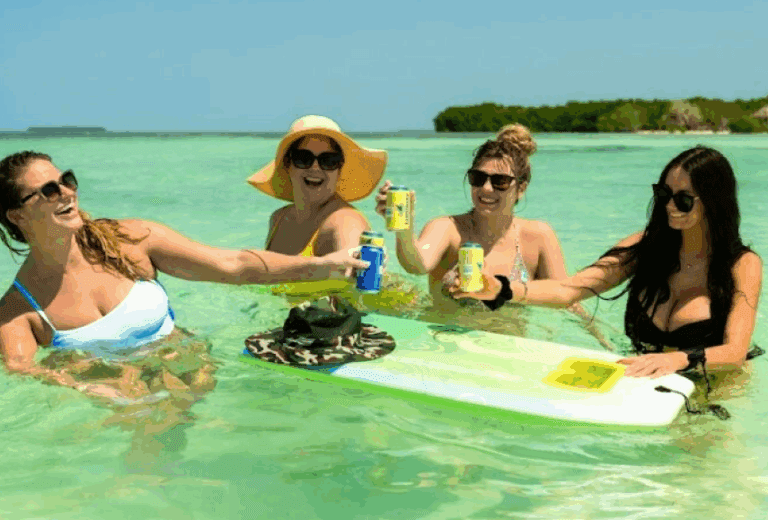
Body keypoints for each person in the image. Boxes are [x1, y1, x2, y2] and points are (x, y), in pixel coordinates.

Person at [0, 150, 367, 397]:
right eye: (49, 190)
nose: (66, 192)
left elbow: (232, 265)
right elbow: (20, 369)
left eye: (66, 180)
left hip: (196, 378)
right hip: (125, 402)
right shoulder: (18, 310)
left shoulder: (129, 241)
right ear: (17, 215)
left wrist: (322, 265)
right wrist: (82, 387)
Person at [451, 145, 763, 379]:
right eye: (663, 193)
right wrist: (501, 289)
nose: (669, 206)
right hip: (645, 385)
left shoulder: (742, 264)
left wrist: (676, 360)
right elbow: (569, 290)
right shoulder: (643, 248)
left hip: (714, 395)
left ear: (714, 202)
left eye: (682, 199)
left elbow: (735, 352)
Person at [374, 124, 601, 340]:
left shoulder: (538, 237)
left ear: (521, 189)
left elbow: (566, 299)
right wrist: (404, 229)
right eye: (478, 178)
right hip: (445, 343)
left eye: (500, 181)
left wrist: (605, 342)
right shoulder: (447, 228)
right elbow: (416, 265)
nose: (486, 188)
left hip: (509, 348)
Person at [248, 115, 417, 308]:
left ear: (339, 169)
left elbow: (354, 293)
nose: (315, 167)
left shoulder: (344, 222)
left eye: (328, 160)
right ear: (288, 165)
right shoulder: (279, 218)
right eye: (303, 158)